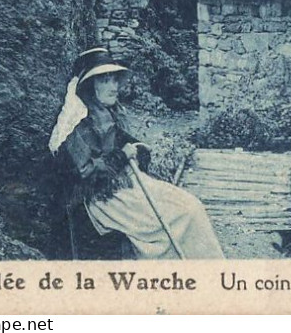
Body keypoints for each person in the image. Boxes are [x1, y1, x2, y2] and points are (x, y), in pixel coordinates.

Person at [50, 50, 224, 260]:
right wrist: (122, 156)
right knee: (178, 218)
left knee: (192, 207)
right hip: (104, 199)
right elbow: (86, 172)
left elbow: (124, 140)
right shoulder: (78, 125)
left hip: (125, 184)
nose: (114, 86)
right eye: (105, 80)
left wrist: (138, 149)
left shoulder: (105, 113)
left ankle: (207, 271)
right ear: (90, 86)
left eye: (114, 79)